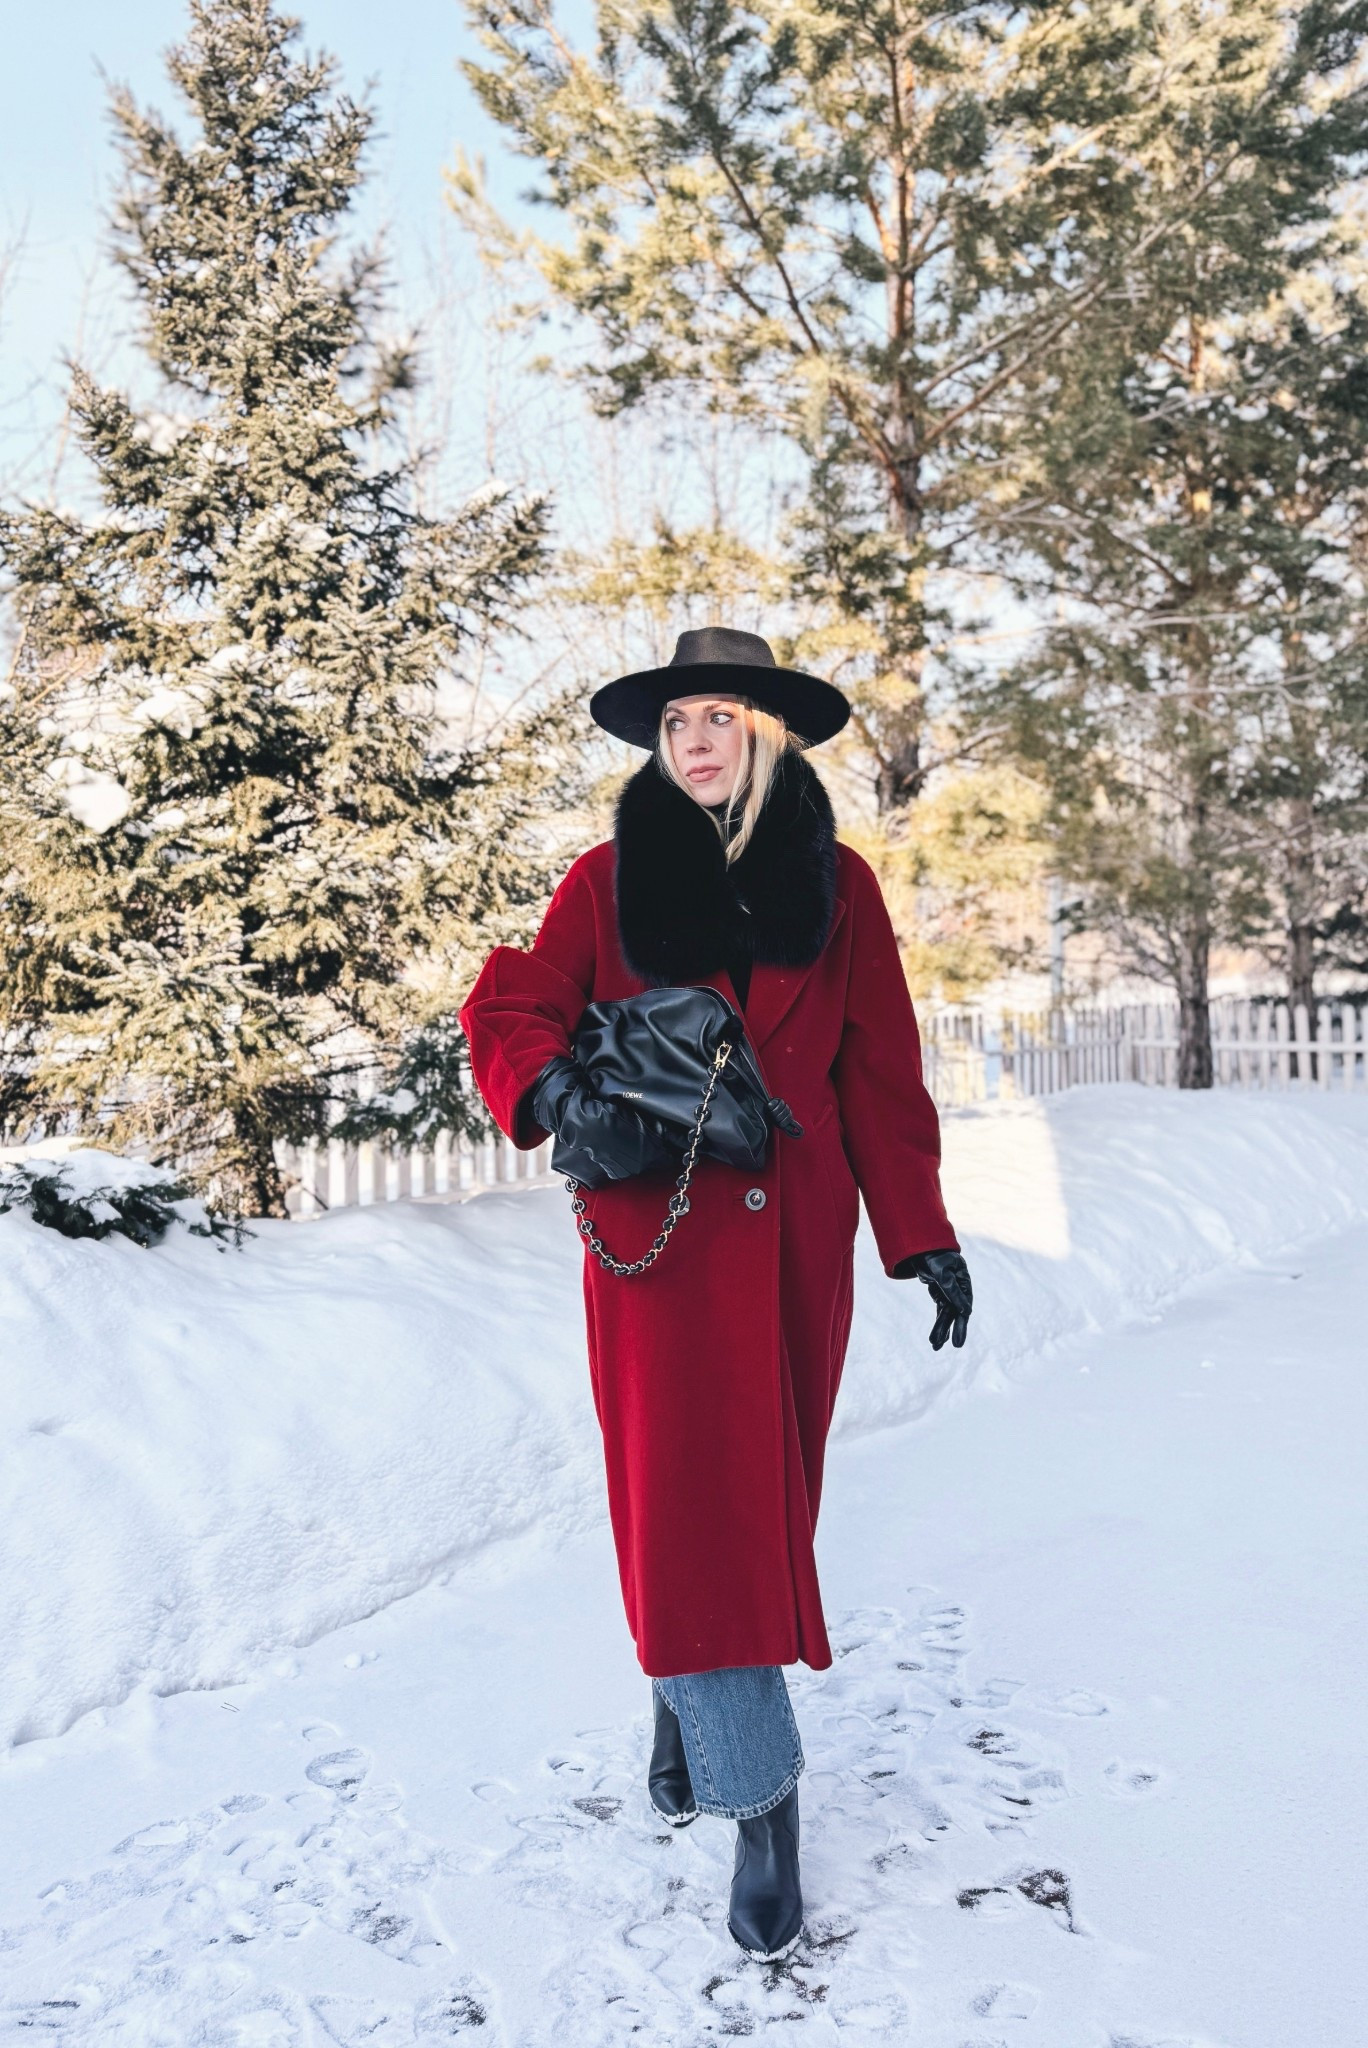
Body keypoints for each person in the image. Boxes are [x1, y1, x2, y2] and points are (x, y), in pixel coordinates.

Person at [459, 626, 972, 1961]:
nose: (694, 740)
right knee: (694, 1514)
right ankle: (765, 1811)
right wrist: (553, 1088)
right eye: (677, 720)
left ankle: (683, 1701)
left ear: (768, 736)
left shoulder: (841, 888)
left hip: (795, 1247)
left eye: (721, 718)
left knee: (758, 1512)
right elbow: (511, 1006)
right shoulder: (606, 879)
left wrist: (919, 1232)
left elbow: (877, 1070)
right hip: (661, 1243)